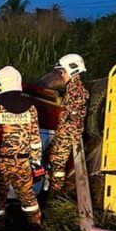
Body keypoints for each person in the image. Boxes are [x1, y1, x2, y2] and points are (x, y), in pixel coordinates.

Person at [0, 66, 43, 231]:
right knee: (29, 199)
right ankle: (35, 229)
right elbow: (35, 139)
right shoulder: (31, 108)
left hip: (2, 162)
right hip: (24, 162)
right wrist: (36, 162)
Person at [45, 53, 89, 195]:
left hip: (68, 132)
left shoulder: (77, 90)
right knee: (52, 156)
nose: (62, 75)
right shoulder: (73, 88)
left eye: (63, 71)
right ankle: (53, 188)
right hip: (65, 131)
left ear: (71, 70)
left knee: (58, 161)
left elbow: (72, 115)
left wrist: (64, 133)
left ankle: (55, 192)